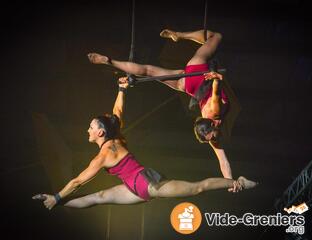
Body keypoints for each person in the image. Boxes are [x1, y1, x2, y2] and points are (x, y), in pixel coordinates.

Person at [32, 77, 257, 210]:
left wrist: (60, 194)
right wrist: (121, 90)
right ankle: (54, 203)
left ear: (100, 132)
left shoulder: (104, 155)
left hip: (147, 185)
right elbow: (117, 112)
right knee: (97, 198)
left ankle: (238, 181)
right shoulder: (114, 136)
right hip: (132, 188)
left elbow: (77, 181)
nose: (88, 130)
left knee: (196, 187)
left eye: (91, 127)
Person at [87, 29, 241, 180]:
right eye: (214, 136)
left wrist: (216, 77)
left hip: (198, 77)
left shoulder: (214, 115)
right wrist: (230, 181)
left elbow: (223, 159)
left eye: (213, 136)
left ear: (210, 125)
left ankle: (111, 61)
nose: (215, 137)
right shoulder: (211, 126)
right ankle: (179, 35)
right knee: (149, 71)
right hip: (190, 86)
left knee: (215, 36)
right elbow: (223, 160)